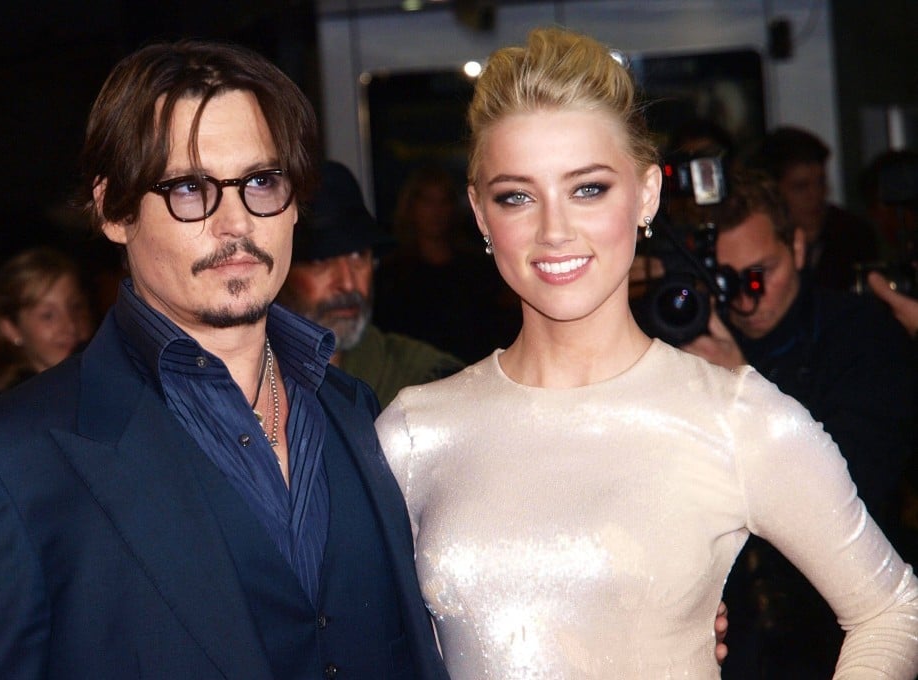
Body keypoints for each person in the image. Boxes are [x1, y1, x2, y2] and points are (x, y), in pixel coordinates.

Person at [374, 27, 918, 679]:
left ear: (647, 194)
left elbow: (892, 610)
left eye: (588, 188)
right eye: (517, 196)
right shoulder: (414, 433)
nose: (553, 230)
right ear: (482, 214)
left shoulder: (735, 417)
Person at [0, 40, 449, 680]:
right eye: (190, 189)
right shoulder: (6, 463)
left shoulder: (360, 415)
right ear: (114, 209)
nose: (235, 222)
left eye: (260, 182)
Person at [677, 170, 917, 678]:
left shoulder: (861, 333)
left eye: (761, 272)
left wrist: (742, 386)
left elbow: (858, 482)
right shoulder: (689, 346)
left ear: (799, 249)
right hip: (736, 633)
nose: (747, 297)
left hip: (839, 624)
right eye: (727, 279)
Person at [277, 160, 464, 407]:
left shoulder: (414, 377)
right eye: (321, 261)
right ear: (280, 272)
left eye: (358, 257)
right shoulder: (245, 382)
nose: (347, 283)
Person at [373, 162, 519, 362]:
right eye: (428, 201)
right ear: (411, 206)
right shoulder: (393, 273)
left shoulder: (477, 269)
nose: (437, 211)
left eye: (444, 201)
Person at [749, 126, 880, 290]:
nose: (816, 195)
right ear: (773, 192)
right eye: (800, 187)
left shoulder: (853, 234)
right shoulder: (756, 240)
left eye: (821, 183)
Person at [0, 246, 92, 397]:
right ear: (11, 329)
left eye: (76, 307)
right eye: (48, 315)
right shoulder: (5, 408)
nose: (70, 326)